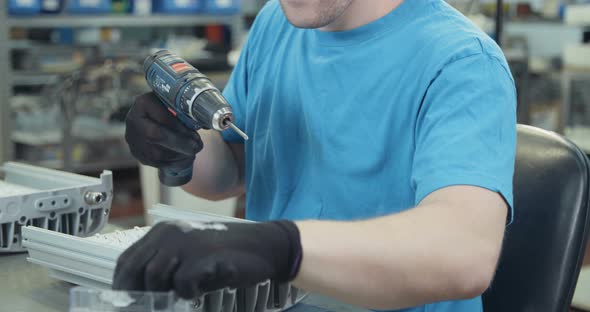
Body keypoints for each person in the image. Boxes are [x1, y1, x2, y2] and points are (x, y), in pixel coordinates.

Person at [113, 0, 517, 311]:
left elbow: (463, 254)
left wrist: (276, 248)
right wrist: (176, 146)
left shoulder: (461, 62)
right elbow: (232, 173)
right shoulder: (278, 23)